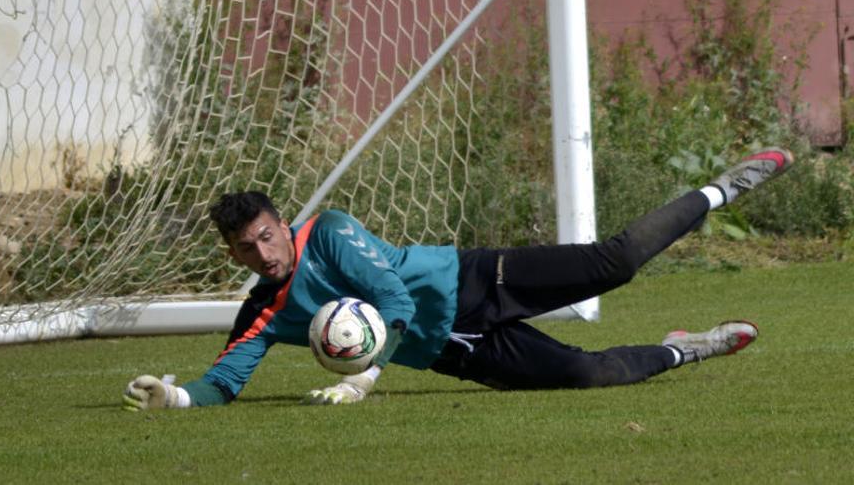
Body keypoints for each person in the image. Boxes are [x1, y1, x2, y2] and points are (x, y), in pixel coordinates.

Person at [123, 147, 793, 410]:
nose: (265, 252)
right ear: (235, 256)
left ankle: (719, 190)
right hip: (457, 351)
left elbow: (387, 298)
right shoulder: (262, 311)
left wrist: (366, 372)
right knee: (592, 375)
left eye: (267, 234)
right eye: (248, 248)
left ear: (281, 222)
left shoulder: (326, 230)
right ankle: (689, 345)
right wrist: (177, 399)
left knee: (613, 262)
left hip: (474, 280)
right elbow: (226, 381)